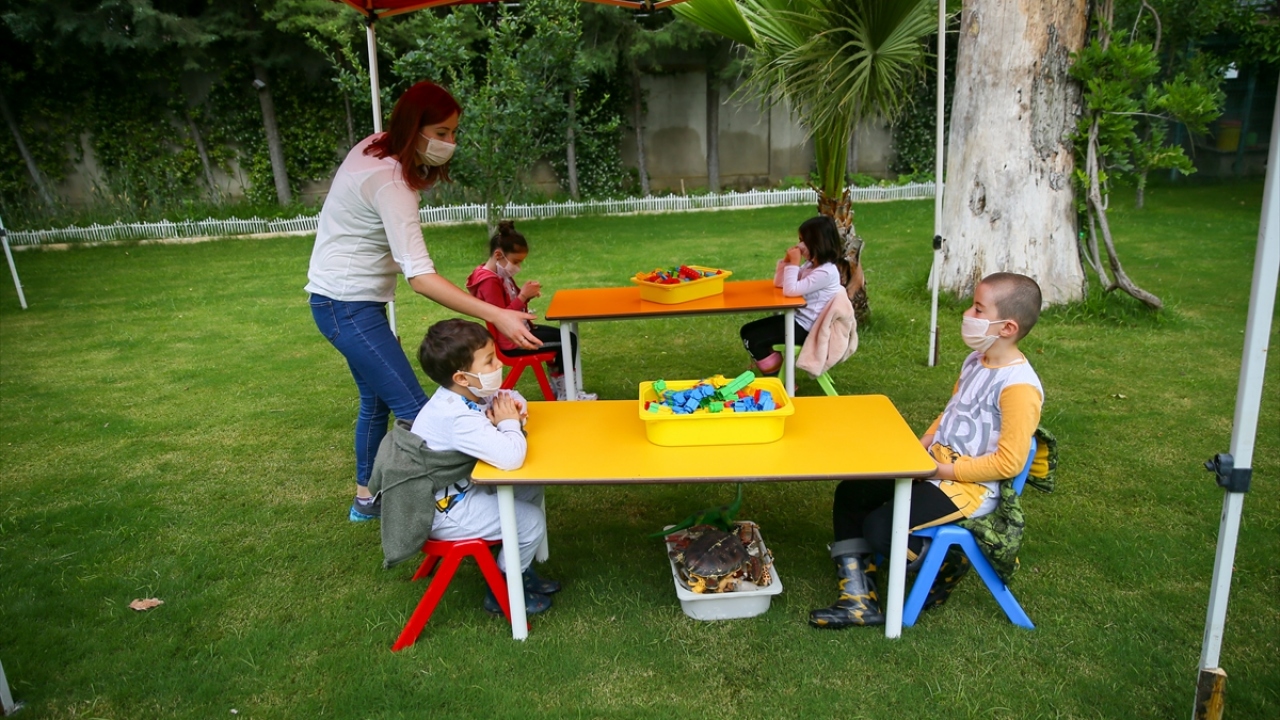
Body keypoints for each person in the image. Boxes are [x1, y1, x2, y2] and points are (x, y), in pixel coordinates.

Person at [305, 81, 540, 523]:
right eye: (442, 132)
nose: (450, 143)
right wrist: (498, 315)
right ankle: (450, 508)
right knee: (419, 413)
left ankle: (365, 499)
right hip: (345, 305)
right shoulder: (391, 181)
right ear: (413, 127)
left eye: (454, 132)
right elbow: (421, 278)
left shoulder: (378, 146)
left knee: (375, 403)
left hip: (346, 302)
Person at [809, 272, 1044, 629]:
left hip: (968, 488)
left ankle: (952, 559)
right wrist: (921, 446)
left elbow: (1008, 463)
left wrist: (941, 471)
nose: (968, 313)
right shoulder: (976, 361)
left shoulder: (1019, 387)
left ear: (1007, 327)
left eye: (978, 309)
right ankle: (859, 601)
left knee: (880, 529)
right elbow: (951, 411)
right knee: (852, 492)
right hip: (933, 466)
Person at [411, 319, 560, 615]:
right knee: (530, 521)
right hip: (446, 509)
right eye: (490, 360)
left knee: (530, 486)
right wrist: (509, 423)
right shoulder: (456, 417)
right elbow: (510, 457)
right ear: (462, 377)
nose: (499, 364)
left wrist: (513, 406)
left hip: (463, 489)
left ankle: (519, 568)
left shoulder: (467, 394)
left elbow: (504, 396)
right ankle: (504, 587)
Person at [465, 220, 597, 401]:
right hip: (513, 341)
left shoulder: (499, 274)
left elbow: (510, 303)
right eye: (516, 261)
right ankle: (568, 394)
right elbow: (501, 316)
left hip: (521, 331)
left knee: (565, 337)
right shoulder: (489, 281)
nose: (518, 267)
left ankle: (563, 390)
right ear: (498, 255)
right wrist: (523, 297)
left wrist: (525, 294)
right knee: (568, 341)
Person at [739, 215, 850, 375]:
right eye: (799, 239)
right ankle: (779, 375)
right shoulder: (811, 265)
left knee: (753, 338)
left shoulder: (825, 272)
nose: (799, 245)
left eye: (804, 241)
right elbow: (780, 283)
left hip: (806, 329)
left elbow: (790, 291)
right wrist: (786, 262)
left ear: (818, 243)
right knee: (747, 330)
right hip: (797, 320)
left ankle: (777, 379)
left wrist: (793, 264)